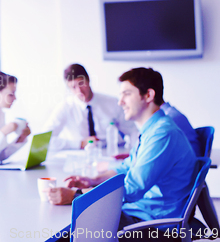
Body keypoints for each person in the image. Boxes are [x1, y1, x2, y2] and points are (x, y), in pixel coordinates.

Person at [46, 67, 196, 240]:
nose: (120, 102)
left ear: (148, 95)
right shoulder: (153, 130)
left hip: (152, 223)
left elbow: (132, 189)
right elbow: (127, 167)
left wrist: (76, 195)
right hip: (140, 213)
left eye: (126, 94)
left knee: (65, 235)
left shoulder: (162, 134)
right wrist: (93, 180)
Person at [42, 63, 137, 152]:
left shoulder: (113, 103)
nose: (79, 91)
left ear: (88, 80)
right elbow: (44, 140)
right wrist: (80, 143)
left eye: (81, 84)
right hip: (81, 156)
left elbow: (133, 130)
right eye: (73, 87)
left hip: (111, 152)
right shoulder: (65, 107)